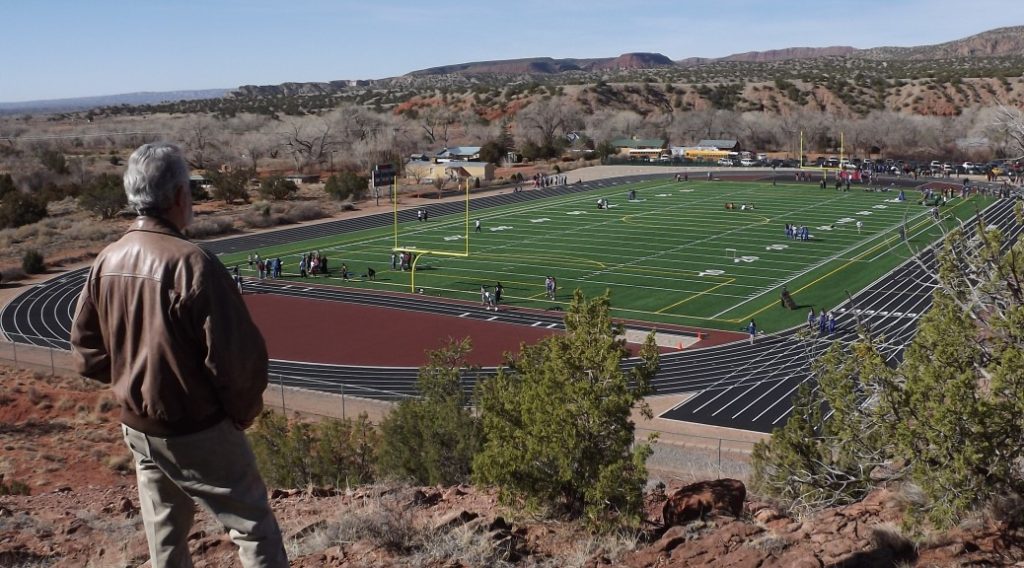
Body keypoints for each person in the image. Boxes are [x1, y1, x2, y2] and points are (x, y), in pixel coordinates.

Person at [69, 143, 287, 567]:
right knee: (252, 526)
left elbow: (87, 353)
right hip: (197, 427)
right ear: (178, 197)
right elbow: (238, 360)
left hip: (138, 428)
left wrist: (131, 382)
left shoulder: (107, 259)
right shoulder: (194, 264)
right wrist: (243, 412)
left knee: (163, 533)